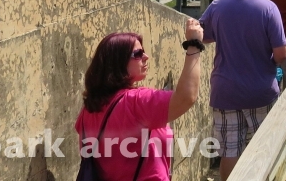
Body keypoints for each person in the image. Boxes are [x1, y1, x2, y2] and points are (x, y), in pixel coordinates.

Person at [75, 18, 204, 181]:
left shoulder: (87, 111)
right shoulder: (135, 102)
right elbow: (186, 98)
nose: (146, 57)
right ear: (118, 62)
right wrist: (194, 45)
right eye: (137, 54)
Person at [199, 0, 286, 181]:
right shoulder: (268, 8)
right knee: (264, 147)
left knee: (230, 151)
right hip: (260, 90)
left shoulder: (217, 5)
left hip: (225, 91)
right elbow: (281, 54)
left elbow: (203, 36)